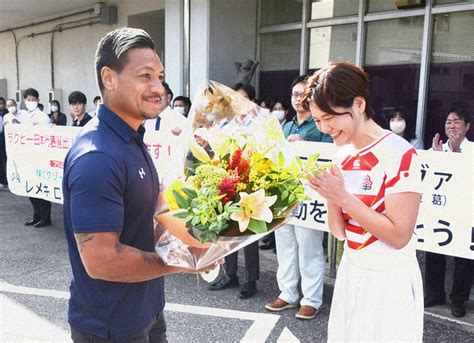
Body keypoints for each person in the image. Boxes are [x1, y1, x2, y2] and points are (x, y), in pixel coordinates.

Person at [63, 27, 212, 342]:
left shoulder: (132, 138)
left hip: (146, 308)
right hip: (111, 325)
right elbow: (101, 260)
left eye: (160, 76)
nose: (158, 87)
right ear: (109, 78)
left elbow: (144, 215)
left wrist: (200, 230)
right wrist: (182, 261)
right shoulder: (98, 156)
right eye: (145, 76)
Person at [306, 62, 423, 341]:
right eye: (317, 120)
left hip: (388, 279)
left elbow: (398, 235)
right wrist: (331, 198)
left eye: (329, 118)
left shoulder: (399, 154)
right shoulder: (341, 157)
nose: (324, 128)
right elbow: (339, 232)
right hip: (352, 271)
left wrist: (343, 197)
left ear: (358, 104)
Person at [265, 75, 332, 320]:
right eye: (294, 94)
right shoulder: (286, 125)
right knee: (285, 246)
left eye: (303, 95)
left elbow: (330, 157)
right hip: (285, 192)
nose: (297, 99)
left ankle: (311, 299)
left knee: (309, 248)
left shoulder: (321, 126)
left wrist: (305, 145)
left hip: (311, 195)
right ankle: (287, 293)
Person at [208, 82, 261, 299]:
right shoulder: (225, 125)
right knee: (228, 230)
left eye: (243, 98)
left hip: (251, 182)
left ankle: (251, 280)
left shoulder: (258, 124)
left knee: (250, 232)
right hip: (227, 182)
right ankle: (230, 274)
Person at [425, 105, 473, 318]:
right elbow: (425, 175)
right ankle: (435, 293)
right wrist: (438, 158)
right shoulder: (436, 148)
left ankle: (458, 299)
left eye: (457, 122)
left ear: (467, 126)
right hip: (440, 209)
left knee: (464, 256)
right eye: (448, 122)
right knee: (434, 251)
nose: (452, 126)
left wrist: (454, 157)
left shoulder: (472, 150)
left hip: (465, 212)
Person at [20, 88, 53, 228]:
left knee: (42, 188)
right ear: (24, 100)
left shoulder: (43, 116)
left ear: (38, 100)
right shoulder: (23, 116)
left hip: (41, 157)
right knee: (31, 188)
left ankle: (46, 218)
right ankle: (36, 216)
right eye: (28, 100)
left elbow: (46, 135)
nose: (31, 102)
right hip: (28, 157)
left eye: (33, 100)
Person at [0, 97, 8, 190]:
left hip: (7, 141)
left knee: (6, 161)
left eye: (1, 103)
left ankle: (8, 180)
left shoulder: (7, 113)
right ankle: (2, 180)